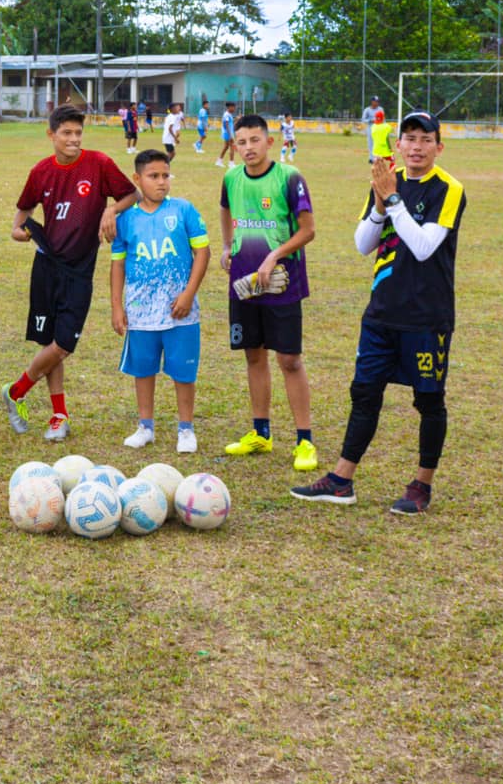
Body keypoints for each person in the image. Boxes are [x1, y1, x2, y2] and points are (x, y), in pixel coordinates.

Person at [292, 111, 464, 514]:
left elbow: (423, 247)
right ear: (398, 145)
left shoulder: (448, 189)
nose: (416, 147)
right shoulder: (388, 181)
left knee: (429, 400)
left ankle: (421, 485)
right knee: (364, 393)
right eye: (410, 139)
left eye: (425, 140)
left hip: (427, 316)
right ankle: (341, 480)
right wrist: (380, 206)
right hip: (381, 312)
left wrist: (392, 200)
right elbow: (362, 243)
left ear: (439, 147)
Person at [0, 104, 137, 442]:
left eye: (78, 133)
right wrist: (18, 231)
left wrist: (111, 209)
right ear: (51, 134)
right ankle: (58, 415)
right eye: (66, 133)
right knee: (50, 343)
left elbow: (131, 194)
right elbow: (22, 213)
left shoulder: (99, 164)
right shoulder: (41, 171)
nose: (74, 139)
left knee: (62, 345)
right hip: (46, 265)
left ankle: (16, 391)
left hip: (79, 269)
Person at [217, 114, 319, 471]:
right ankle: (261, 433)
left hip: (282, 282)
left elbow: (308, 230)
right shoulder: (231, 177)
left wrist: (275, 255)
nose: (248, 148)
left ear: (269, 142)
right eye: (241, 142)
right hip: (244, 284)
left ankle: (305, 440)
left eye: (255, 140)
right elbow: (226, 209)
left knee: (289, 360)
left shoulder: (289, 177)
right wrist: (227, 245)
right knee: (253, 355)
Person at [111, 148, 209, 452]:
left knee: (183, 371)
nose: (162, 182)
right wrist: (117, 306)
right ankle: (145, 426)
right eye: (154, 176)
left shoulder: (183, 210)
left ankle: (186, 429)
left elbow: (202, 252)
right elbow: (117, 265)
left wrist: (188, 293)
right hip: (140, 312)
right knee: (143, 369)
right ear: (137, 178)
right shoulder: (126, 220)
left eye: (166, 175)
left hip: (180, 311)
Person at [366, 97, 392, 162]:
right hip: (371, 129)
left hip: (381, 129)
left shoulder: (380, 109)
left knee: (380, 143)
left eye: (377, 101)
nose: (377, 103)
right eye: (375, 101)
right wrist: (371, 120)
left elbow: (383, 119)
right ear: (372, 102)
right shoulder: (367, 110)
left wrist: (384, 127)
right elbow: (363, 119)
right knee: (371, 143)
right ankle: (371, 158)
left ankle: (381, 157)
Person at [214, 104, 238, 169]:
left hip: (228, 133)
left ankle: (219, 161)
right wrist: (230, 136)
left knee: (226, 147)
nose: (234, 109)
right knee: (232, 147)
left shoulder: (229, 114)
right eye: (233, 107)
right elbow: (226, 125)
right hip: (228, 134)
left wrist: (237, 119)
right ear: (229, 107)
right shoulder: (226, 115)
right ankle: (231, 163)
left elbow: (231, 124)